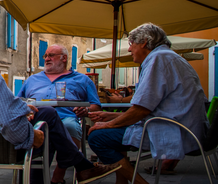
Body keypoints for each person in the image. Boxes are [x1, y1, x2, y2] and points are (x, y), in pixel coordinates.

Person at [0, 17, 119, 184]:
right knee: (48, 126)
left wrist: (22, 108)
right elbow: (10, 126)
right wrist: (32, 136)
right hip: (4, 150)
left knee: (46, 114)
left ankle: (82, 168)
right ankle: (81, 169)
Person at [88, 23, 209, 184]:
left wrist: (108, 124)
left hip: (173, 131)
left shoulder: (158, 59)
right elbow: (152, 108)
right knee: (111, 129)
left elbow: (142, 110)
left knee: (97, 137)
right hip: (183, 127)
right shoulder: (170, 57)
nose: (129, 49)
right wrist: (110, 116)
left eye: (131, 44)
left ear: (144, 42)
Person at [17, 44, 101, 184]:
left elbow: (96, 106)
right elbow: (19, 101)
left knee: (69, 126)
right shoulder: (32, 79)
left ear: (64, 58)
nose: (47, 59)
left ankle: (58, 175)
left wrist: (86, 111)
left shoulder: (82, 80)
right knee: (40, 129)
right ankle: (81, 166)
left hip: (66, 117)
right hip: (37, 118)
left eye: (51, 55)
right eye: (46, 56)